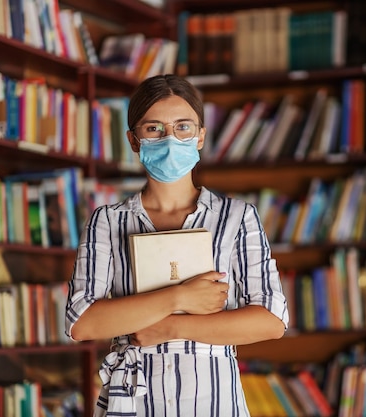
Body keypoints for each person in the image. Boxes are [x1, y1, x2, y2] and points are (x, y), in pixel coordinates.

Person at [65, 74, 289, 416]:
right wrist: (180, 297)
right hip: (135, 403)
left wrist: (171, 327)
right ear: (134, 140)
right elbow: (82, 322)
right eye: (153, 128)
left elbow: (272, 320)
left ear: (200, 136)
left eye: (183, 127)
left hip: (215, 403)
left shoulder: (237, 217)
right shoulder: (107, 220)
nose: (170, 138)